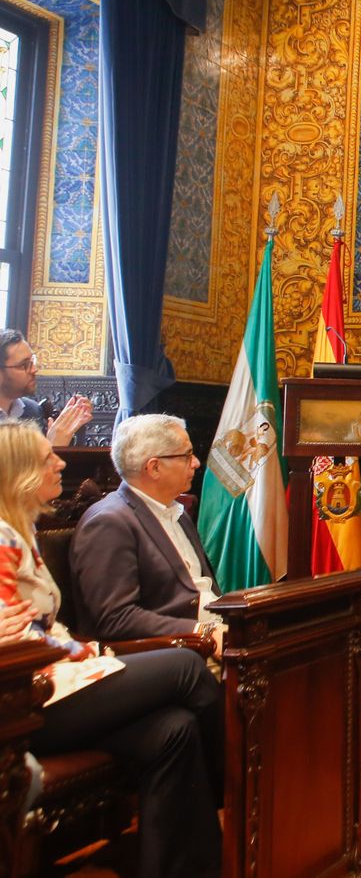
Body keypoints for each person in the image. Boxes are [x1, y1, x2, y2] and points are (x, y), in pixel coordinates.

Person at [0, 419, 221, 878]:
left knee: (173, 729)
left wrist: (73, 648)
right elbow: (26, 637)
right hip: (26, 704)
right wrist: (73, 650)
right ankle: (240, 786)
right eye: (48, 459)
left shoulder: (20, 532)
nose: (62, 461)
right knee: (184, 666)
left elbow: (40, 625)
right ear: (18, 473)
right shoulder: (8, 542)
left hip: (58, 679)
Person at [71, 413, 224, 646]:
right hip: (174, 649)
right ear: (154, 468)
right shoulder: (109, 523)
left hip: (218, 627)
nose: (195, 462)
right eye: (186, 455)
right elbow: (116, 619)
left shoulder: (179, 514)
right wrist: (200, 632)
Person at [0, 329, 92, 446]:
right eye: (24, 365)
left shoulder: (33, 410)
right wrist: (53, 446)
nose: (34, 370)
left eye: (32, 361)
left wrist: (67, 428)